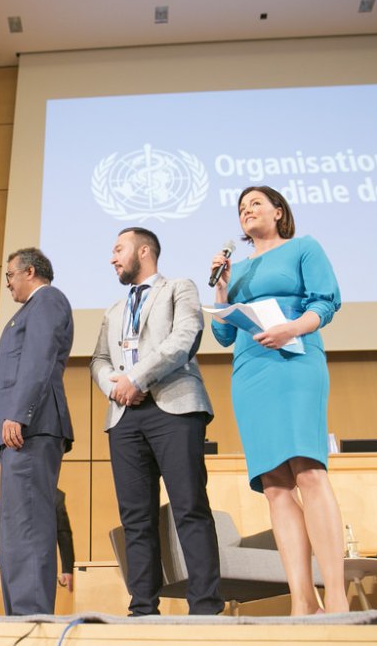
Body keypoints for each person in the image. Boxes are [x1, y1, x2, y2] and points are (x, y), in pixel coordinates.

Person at [208, 185, 345, 615]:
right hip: (251, 372)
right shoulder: (238, 269)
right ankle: (302, 601)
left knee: (308, 471)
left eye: (256, 204)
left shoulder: (304, 247)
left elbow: (326, 302)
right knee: (275, 486)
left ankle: (337, 596)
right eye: (241, 208)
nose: (247, 211)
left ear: (278, 211)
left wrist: (292, 328)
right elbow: (223, 334)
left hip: (296, 360)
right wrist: (222, 290)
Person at [90, 227, 224, 616]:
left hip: (175, 408)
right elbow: (99, 359)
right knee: (136, 518)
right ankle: (143, 609)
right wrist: (114, 385)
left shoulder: (179, 288)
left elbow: (184, 338)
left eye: (119, 249)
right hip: (124, 416)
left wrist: (137, 378)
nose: (112, 258)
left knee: (189, 507)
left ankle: (205, 608)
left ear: (144, 251)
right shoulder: (114, 310)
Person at [0, 247, 74, 615]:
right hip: (20, 433)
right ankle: (19, 617)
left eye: (10, 275)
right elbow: (11, 370)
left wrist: (19, 413)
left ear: (30, 271)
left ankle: (31, 618)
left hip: (30, 428)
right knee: (16, 526)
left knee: (28, 525)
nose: (8, 284)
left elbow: (38, 359)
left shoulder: (47, 300)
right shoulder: (30, 310)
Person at [0, 488, 75, 593]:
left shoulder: (54, 495)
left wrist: (67, 569)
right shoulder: (12, 489)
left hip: (41, 561)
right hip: (13, 559)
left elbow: (63, 532)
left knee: (39, 598)